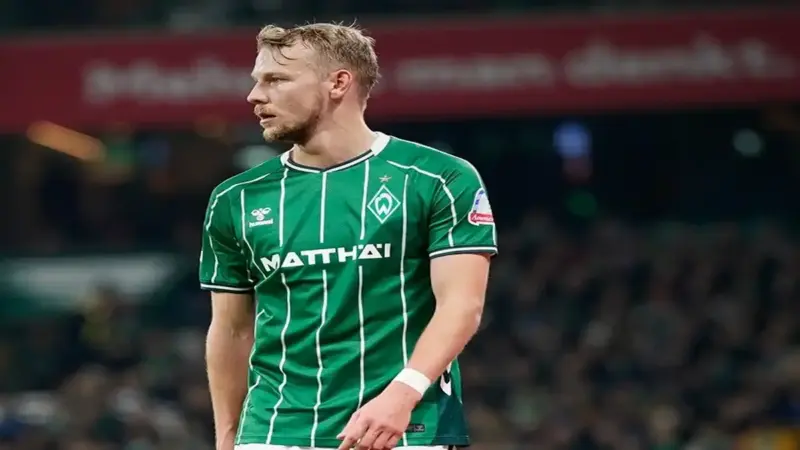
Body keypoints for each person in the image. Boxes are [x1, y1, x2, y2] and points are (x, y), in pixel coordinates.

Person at [199, 22, 497, 450]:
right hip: (274, 431)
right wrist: (228, 438)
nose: (254, 95)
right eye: (257, 80)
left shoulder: (438, 178)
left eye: (276, 79)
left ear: (338, 83)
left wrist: (402, 394)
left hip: (404, 426)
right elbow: (230, 330)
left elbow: (462, 305)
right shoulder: (236, 198)